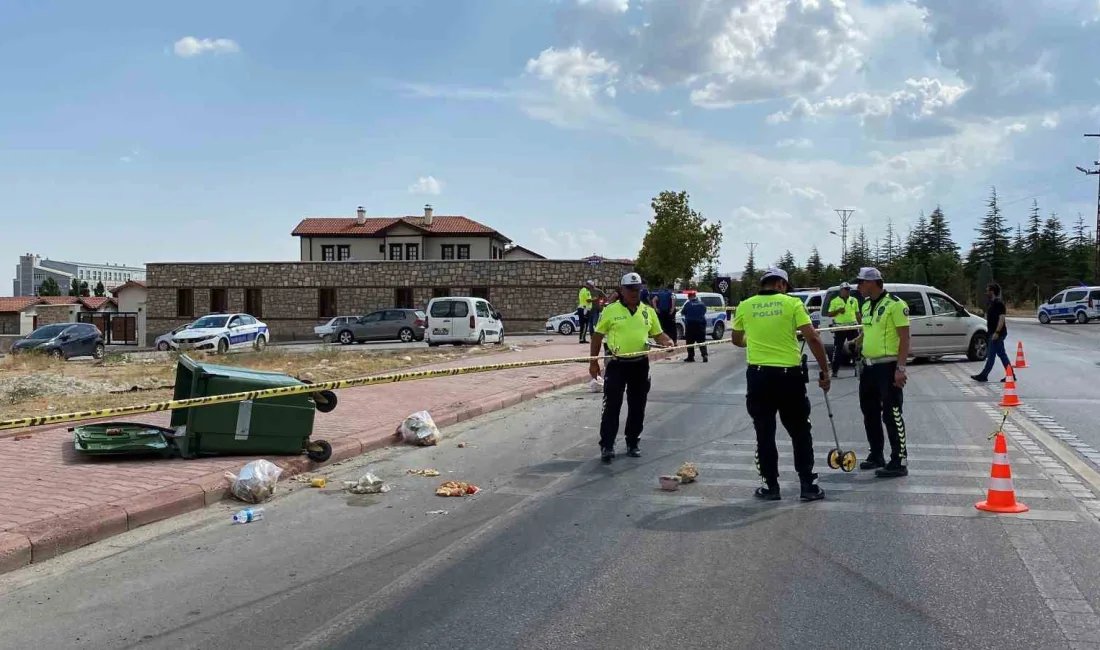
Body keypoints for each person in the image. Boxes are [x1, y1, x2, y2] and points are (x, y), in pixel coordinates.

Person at [731, 268, 831, 501]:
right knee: (800, 432)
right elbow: (813, 337)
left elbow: (736, 339)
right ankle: (807, 486)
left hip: (758, 377)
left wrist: (754, 340)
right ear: (781, 285)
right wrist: (825, 371)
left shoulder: (745, 305)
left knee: (764, 433)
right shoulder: (792, 304)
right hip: (789, 378)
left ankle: (770, 487)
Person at [589, 272, 674, 464]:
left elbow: (658, 334)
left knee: (637, 406)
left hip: (640, 364)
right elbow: (597, 336)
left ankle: (632, 442)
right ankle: (607, 445)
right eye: (630, 289)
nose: (635, 293)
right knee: (612, 406)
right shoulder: (610, 310)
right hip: (616, 364)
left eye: (638, 289)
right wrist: (593, 362)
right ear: (622, 290)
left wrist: (668, 342)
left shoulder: (647, 311)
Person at [846, 267, 910, 478]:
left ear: (871, 283)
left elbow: (905, 338)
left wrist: (900, 368)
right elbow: (868, 330)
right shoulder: (865, 305)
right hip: (869, 367)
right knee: (869, 412)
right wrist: (856, 342)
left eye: (861, 283)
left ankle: (899, 460)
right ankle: (876, 454)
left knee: (891, 414)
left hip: (888, 366)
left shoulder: (895, 305)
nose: (858, 287)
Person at [971, 283, 1012, 383]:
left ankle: (984, 375)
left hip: (997, 334)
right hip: (993, 333)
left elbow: (1001, 319)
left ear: (992, 292)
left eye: (988, 290)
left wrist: (997, 332)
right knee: (1002, 355)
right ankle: (1011, 375)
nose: (986, 293)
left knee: (991, 355)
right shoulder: (992, 303)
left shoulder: (999, 304)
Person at [827, 282, 861, 376]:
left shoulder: (854, 300)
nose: (848, 291)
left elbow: (857, 313)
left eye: (849, 290)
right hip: (840, 327)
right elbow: (829, 314)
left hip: (852, 326)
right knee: (838, 349)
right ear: (841, 290)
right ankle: (835, 371)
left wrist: (861, 325)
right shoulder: (834, 301)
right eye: (846, 290)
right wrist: (838, 311)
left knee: (855, 349)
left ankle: (857, 369)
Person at [681, 290, 709, 362]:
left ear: (689, 297)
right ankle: (704, 355)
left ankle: (691, 357)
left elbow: (683, 312)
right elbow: (704, 311)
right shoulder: (702, 304)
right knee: (702, 341)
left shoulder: (688, 304)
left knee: (690, 342)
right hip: (701, 325)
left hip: (691, 325)